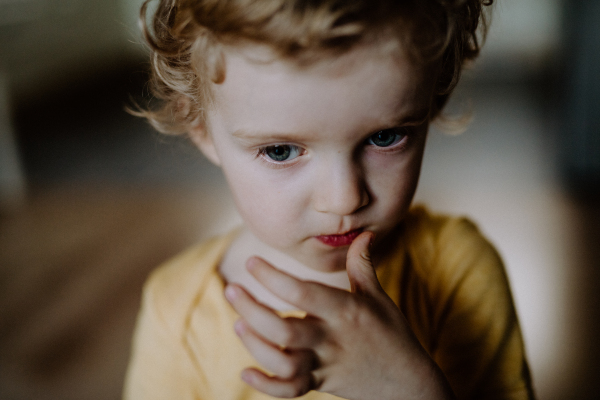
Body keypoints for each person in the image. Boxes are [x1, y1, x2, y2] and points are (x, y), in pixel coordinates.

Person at [123, 0, 534, 399]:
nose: (344, 200)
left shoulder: (459, 272)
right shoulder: (176, 310)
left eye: (384, 137)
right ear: (202, 129)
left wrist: (411, 388)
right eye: (281, 151)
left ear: (431, 102)